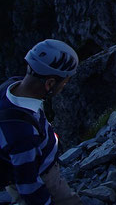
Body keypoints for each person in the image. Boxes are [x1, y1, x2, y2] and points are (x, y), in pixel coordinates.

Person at [0, 39, 83, 205]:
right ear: (50, 83)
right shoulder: (23, 136)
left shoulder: (10, 86)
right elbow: (28, 184)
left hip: (17, 168)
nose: (64, 86)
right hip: (43, 174)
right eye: (64, 82)